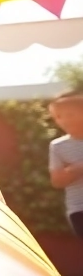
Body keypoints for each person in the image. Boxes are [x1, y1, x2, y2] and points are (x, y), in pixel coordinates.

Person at [47, 90, 83, 238]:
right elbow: (57, 180)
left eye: (70, 114)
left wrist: (70, 170)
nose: (64, 120)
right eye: (58, 117)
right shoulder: (58, 146)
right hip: (79, 209)